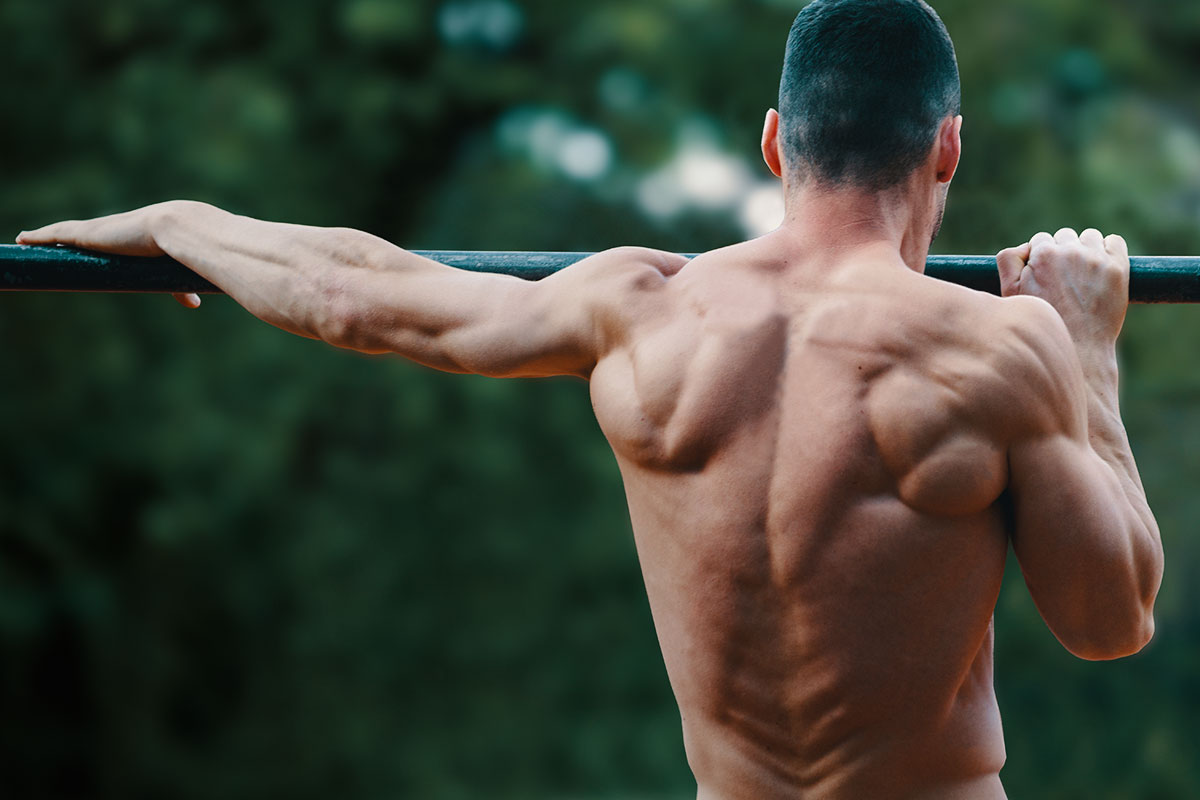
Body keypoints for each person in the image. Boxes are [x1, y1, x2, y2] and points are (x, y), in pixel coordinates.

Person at [17, 0, 1163, 796]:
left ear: (774, 142)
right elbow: (1110, 621)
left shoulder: (639, 311)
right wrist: (1088, 346)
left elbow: (356, 292)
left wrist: (178, 225)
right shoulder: (1001, 351)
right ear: (947, 151)